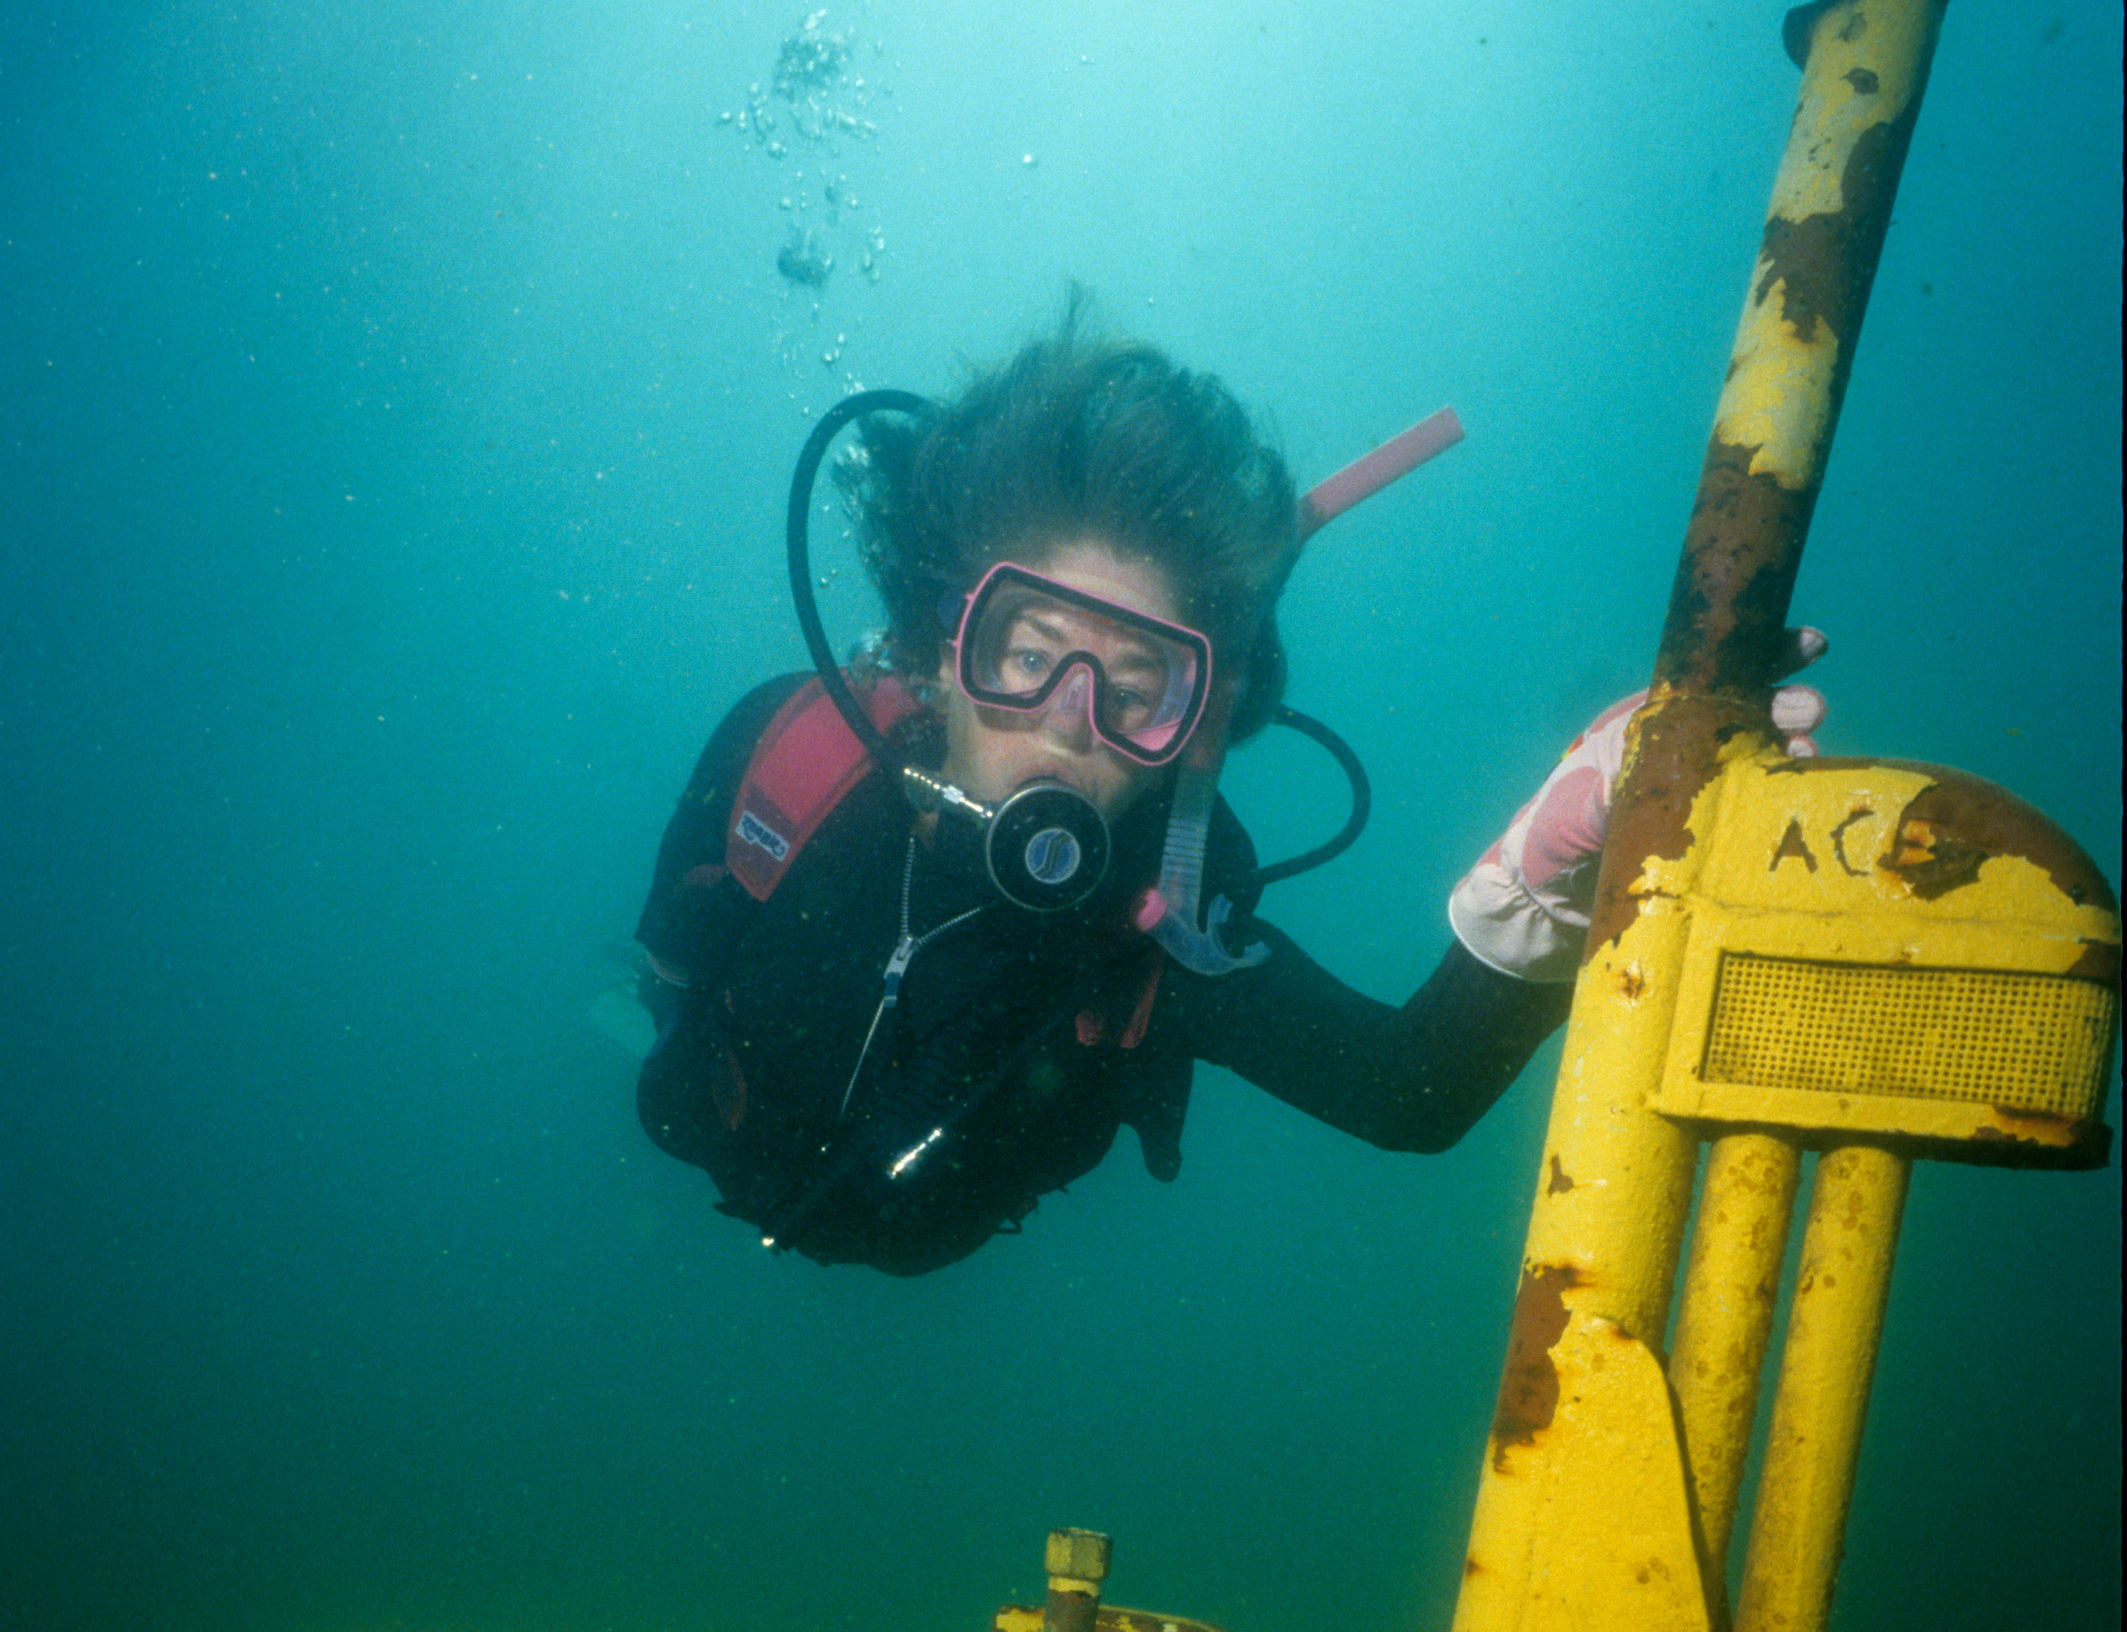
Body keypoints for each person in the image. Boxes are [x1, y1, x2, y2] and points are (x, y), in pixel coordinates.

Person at [634, 315, 1824, 1275]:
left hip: (926, 1239)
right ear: (945, 646)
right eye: (1028, 649)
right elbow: (671, 960)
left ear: (1193, 727)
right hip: (713, 1146)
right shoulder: (783, 754)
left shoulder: (1163, 927)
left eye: (1138, 683)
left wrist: (1551, 864)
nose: (1067, 713)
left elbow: (1410, 1092)